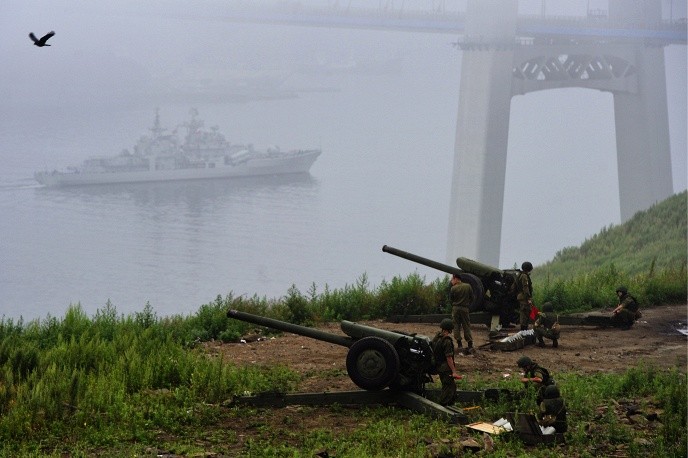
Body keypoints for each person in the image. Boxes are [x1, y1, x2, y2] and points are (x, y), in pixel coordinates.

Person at [432, 318, 462, 406]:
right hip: (445, 368)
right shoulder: (447, 341)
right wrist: (454, 371)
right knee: (448, 388)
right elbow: (449, 358)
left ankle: (449, 404)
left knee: (450, 387)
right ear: (450, 329)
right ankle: (443, 406)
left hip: (439, 366)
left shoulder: (437, 338)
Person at [449, 274, 474, 354]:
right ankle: (470, 345)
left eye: (452, 279)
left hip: (455, 308)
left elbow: (451, 299)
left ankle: (459, 345)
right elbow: (472, 297)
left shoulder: (453, 288)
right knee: (466, 325)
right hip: (465, 308)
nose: (451, 281)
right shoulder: (468, 286)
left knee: (456, 325)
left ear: (456, 279)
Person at [516, 262, 534, 331]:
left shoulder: (521, 275)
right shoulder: (524, 276)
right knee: (525, 316)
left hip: (523, 297)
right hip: (524, 298)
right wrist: (528, 298)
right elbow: (525, 287)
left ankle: (524, 331)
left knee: (525, 315)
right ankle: (523, 332)